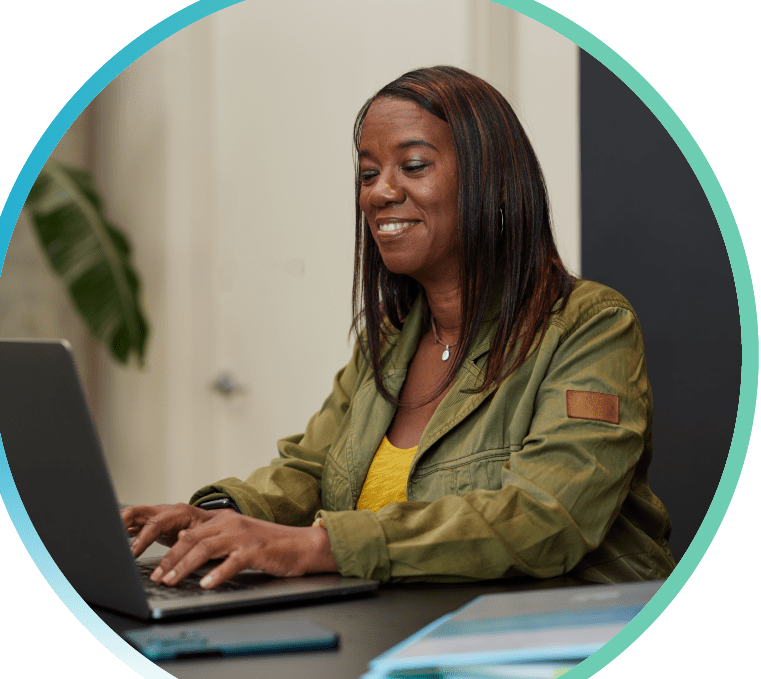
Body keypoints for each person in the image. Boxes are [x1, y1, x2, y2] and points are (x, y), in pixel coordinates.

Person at [123, 66, 676, 588]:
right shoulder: (390, 340)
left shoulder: (590, 326)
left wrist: (321, 546)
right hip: (397, 631)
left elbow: (546, 518)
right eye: (368, 173)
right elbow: (312, 469)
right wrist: (217, 516)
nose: (379, 192)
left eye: (413, 166)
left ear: (497, 184)